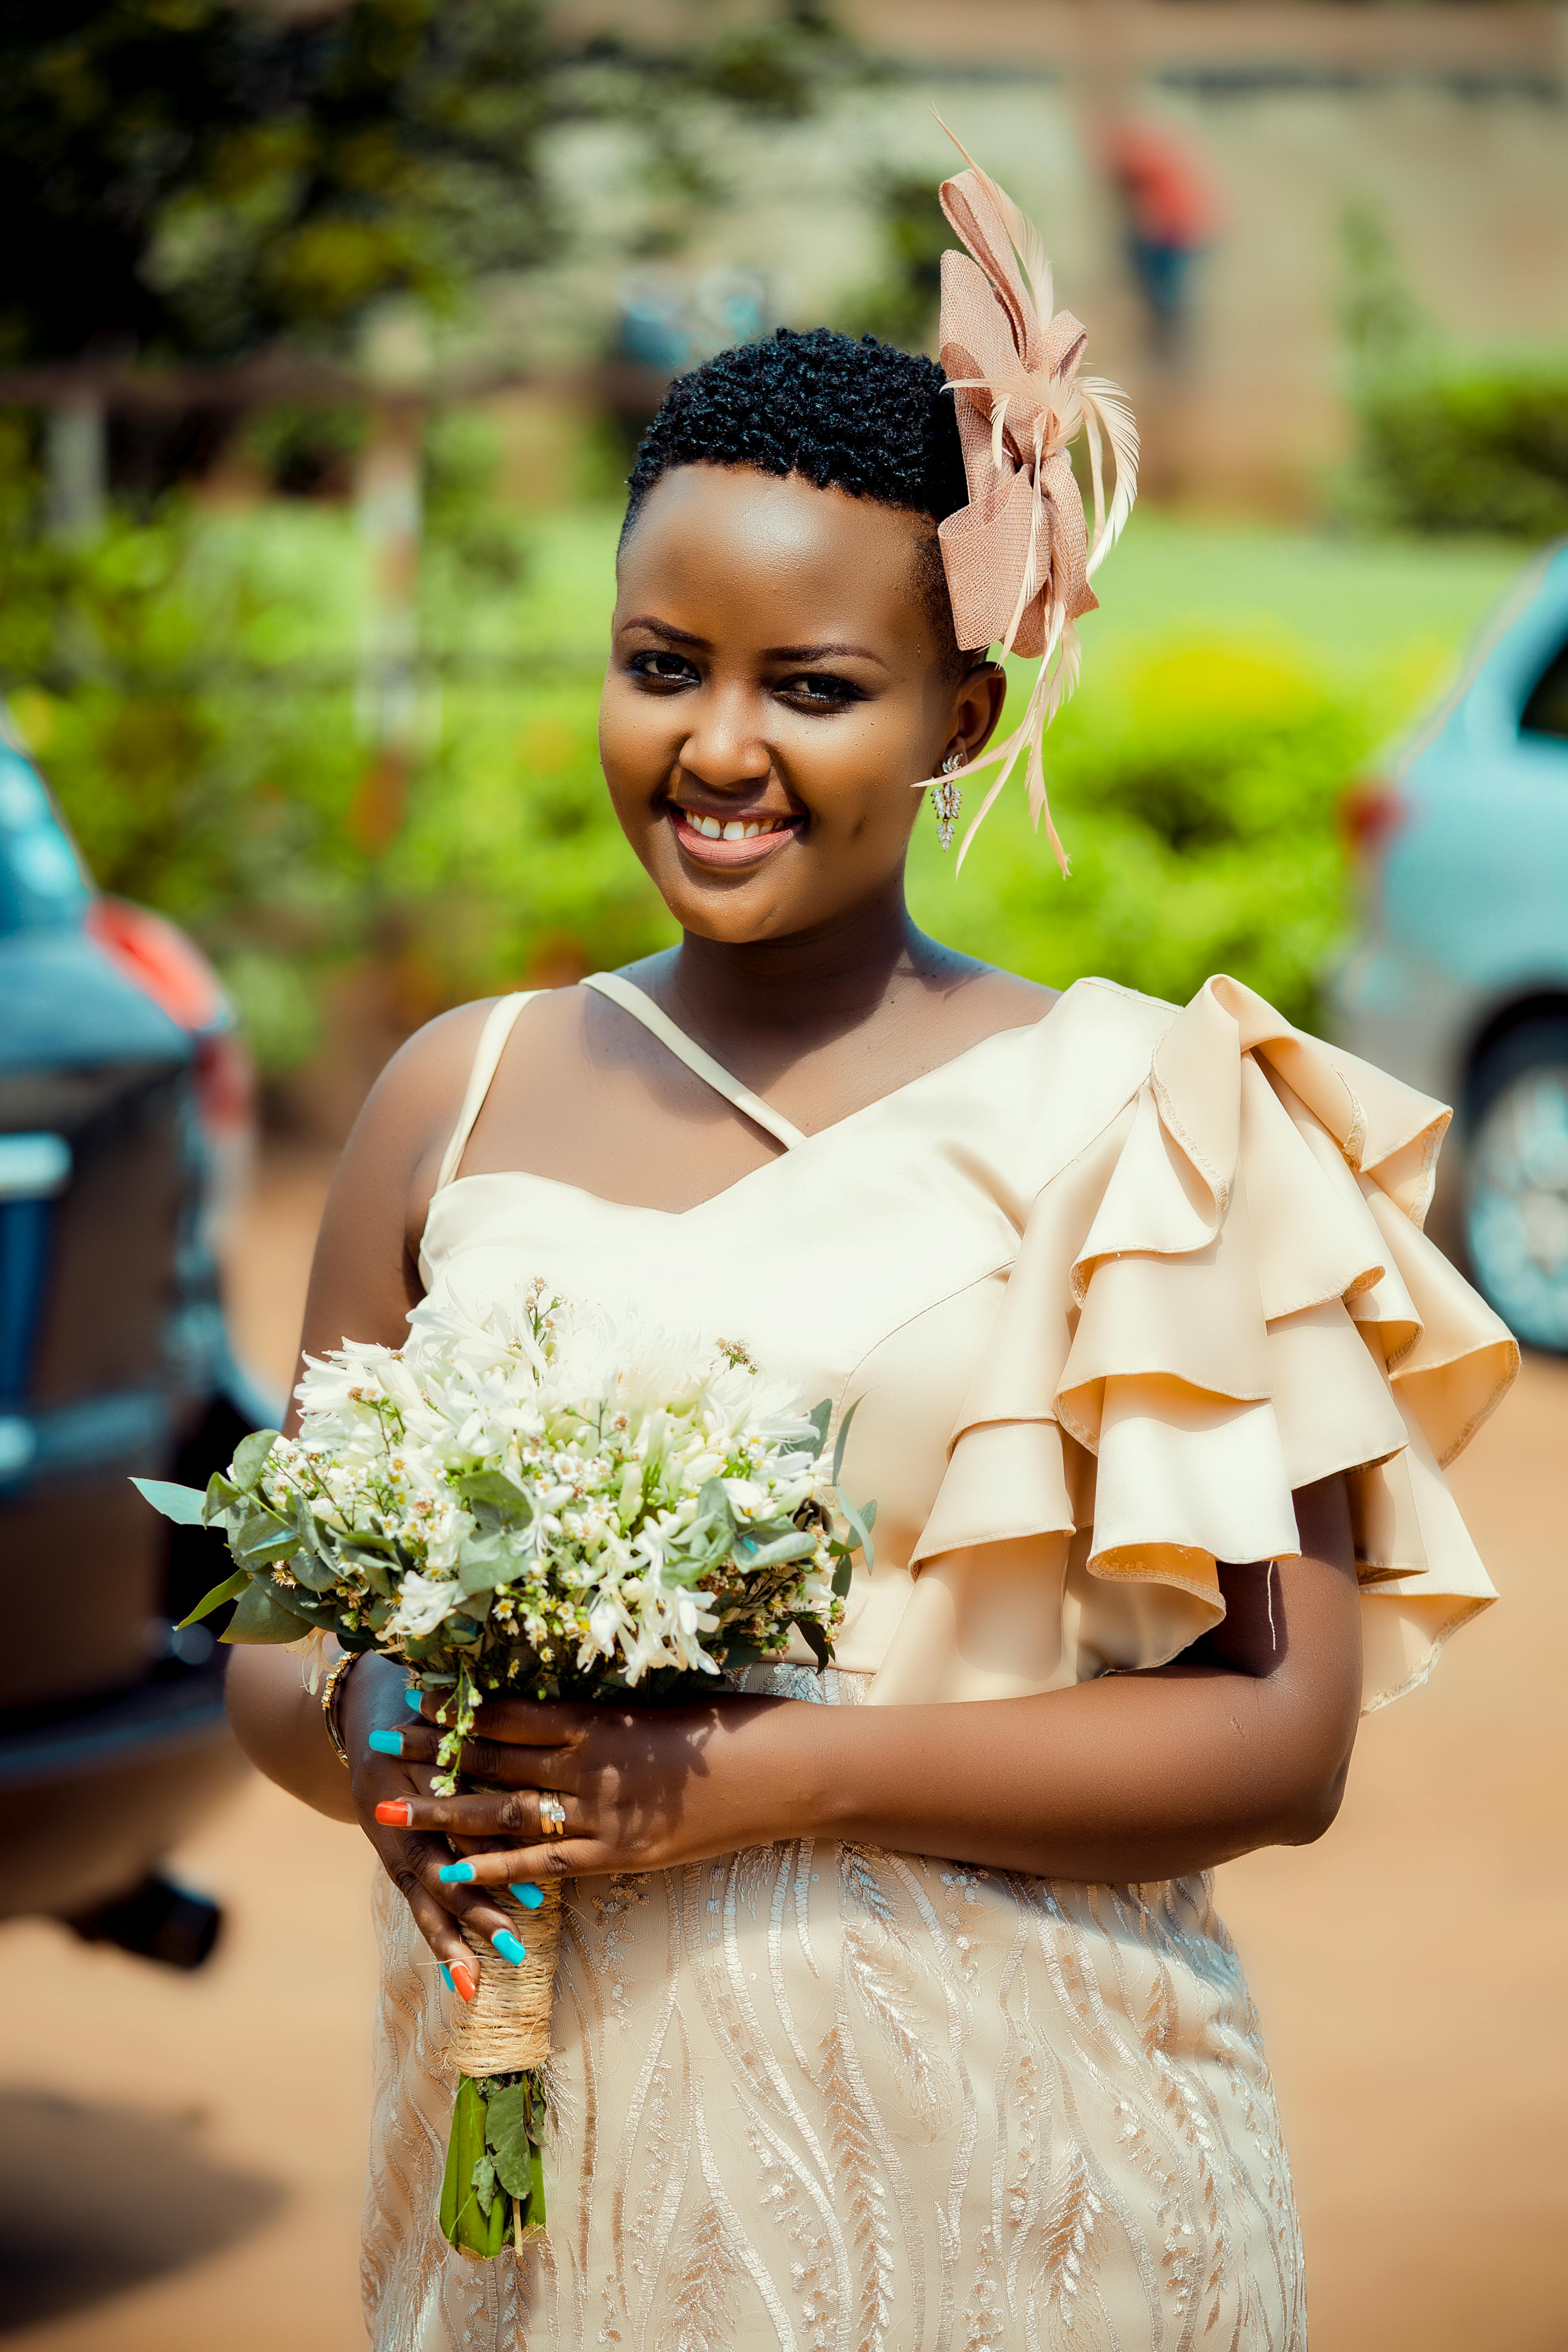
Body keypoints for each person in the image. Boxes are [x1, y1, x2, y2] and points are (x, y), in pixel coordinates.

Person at [226, 154, 1515, 2352]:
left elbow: (1281, 1740)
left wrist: (745, 1783)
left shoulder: (1146, 1125)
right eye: (662, 667)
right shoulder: (455, 1098)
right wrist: (387, 1744)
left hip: (1032, 2185)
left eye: (813, 687)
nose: (720, 749)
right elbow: (270, 1638)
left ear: (962, 723)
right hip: (561, 2186)